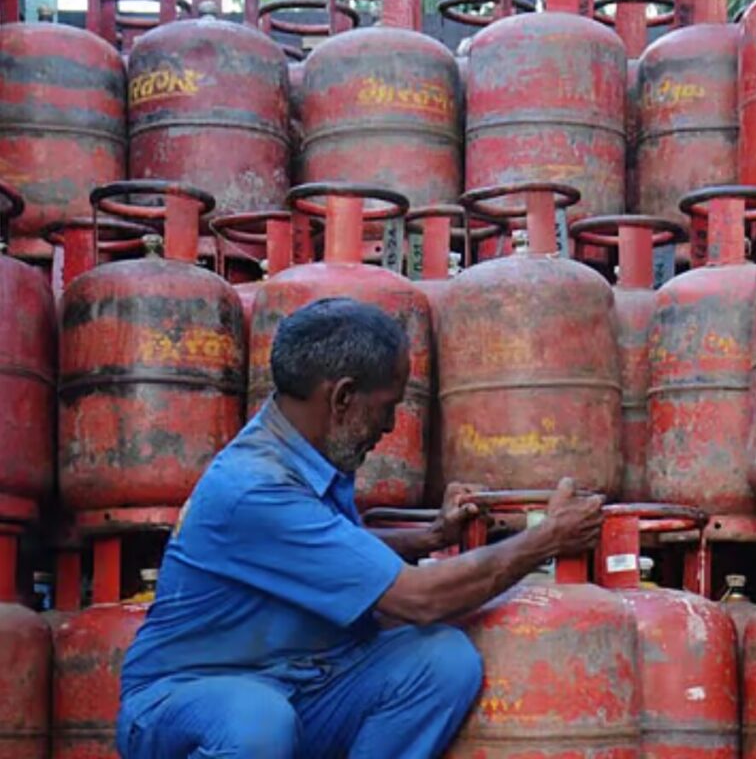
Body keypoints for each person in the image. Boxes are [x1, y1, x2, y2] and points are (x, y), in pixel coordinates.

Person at [116, 297, 604, 759]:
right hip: (186, 699)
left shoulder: (305, 456)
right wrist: (546, 538)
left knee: (441, 661)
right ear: (343, 397)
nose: (389, 426)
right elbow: (419, 599)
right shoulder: (254, 488)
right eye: (388, 406)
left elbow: (322, 551)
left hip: (299, 684)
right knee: (257, 723)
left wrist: (430, 538)